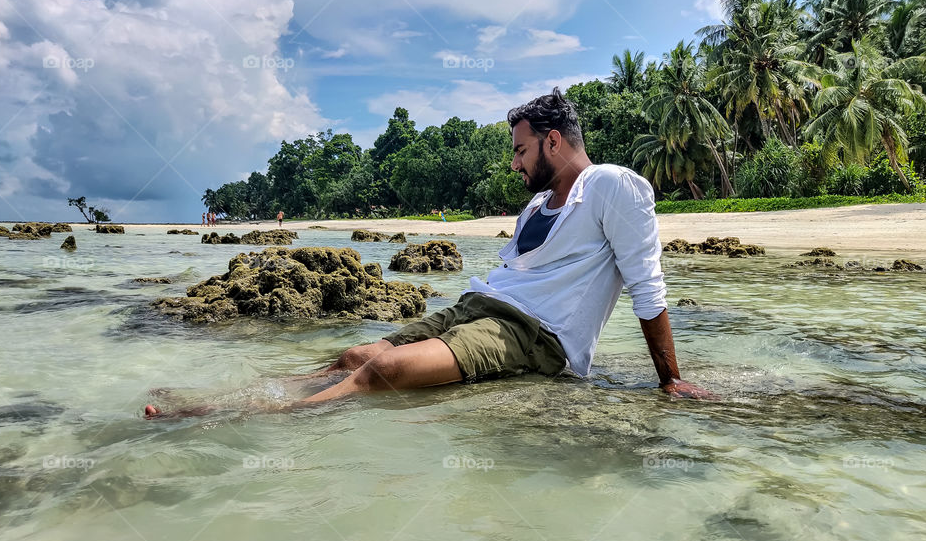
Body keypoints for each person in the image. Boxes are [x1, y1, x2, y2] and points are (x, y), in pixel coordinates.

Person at [145, 88, 710, 419]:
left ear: (553, 140)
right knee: (352, 354)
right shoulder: (537, 206)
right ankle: (232, 394)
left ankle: (228, 416)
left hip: (535, 335)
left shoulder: (613, 185)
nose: (514, 163)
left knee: (385, 368)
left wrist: (669, 380)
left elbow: (646, 283)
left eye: (520, 149)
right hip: (478, 307)